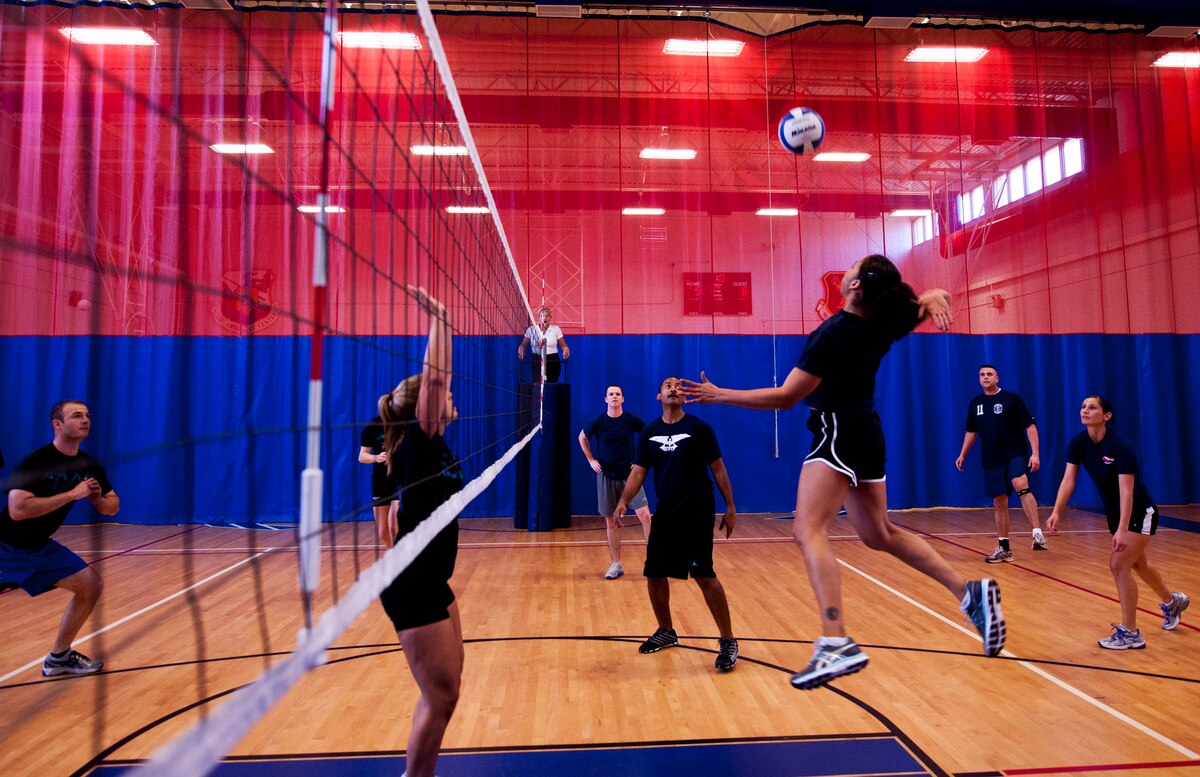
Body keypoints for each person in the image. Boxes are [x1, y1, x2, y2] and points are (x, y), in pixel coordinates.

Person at [680, 254, 1005, 690]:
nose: (847, 268)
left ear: (854, 286)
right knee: (879, 533)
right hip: (867, 431)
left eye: (853, 266)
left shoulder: (833, 333)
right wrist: (932, 296)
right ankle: (970, 594)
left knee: (806, 530)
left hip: (838, 432)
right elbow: (933, 299)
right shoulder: (883, 319)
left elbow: (786, 397)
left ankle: (835, 640)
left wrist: (720, 395)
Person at [376, 287, 464, 777]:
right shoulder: (421, 443)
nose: (450, 395)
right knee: (441, 697)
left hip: (433, 579)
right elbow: (435, 377)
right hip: (412, 585)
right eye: (443, 395)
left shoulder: (434, 449)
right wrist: (441, 320)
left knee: (443, 695)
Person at [614, 376, 740, 672]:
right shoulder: (650, 432)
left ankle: (728, 640)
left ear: (684, 397)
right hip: (667, 511)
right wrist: (623, 501)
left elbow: (718, 469)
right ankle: (666, 631)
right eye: (667, 385)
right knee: (654, 572)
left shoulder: (699, 429)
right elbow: (638, 472)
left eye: (678, 386)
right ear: (659, 396)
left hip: (697, 510)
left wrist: (731, 507)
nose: (673, 388)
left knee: (704, 575)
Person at [1046, 395, 1189, 650]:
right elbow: (1068, 480)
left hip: (1139, 512)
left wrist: (1122, 529)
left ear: (1107, 415)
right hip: (1115, 513)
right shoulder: (1078, 443)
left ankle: (1131, 633)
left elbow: (1127, 491)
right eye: (1083, 407)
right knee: (1139, 565)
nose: (1085, 410)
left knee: (1118, 565)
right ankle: (1172, 602)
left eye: (1092, 407)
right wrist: (1057, 511)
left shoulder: (1121, 446)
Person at [0, 400, 120, 676]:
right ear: (57, 424)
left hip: (39, 547)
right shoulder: (37, 462)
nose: (85, 420)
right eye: (76, 416)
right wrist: (72, 494)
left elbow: (112, 506)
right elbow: (18, 510)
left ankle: (59, 658)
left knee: (90, 585)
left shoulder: (88, 465)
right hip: (5, 546)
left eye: (87, 415)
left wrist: (97, 499)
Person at [955, 364, 1047, 562]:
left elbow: (1030, 426)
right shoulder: (976, 403)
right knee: (999, 501)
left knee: (1020, 483)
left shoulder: (1012, 399)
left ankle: (1037, 534)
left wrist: (1035, 454)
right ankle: (1004, 549)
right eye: (982, 374)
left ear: (997, 378)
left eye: (989, 374)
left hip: (1014, 451)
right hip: (992, 457)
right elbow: (972, 431)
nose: (985, 377)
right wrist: (962, 454)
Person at [579, 384, 653, 579]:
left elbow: (648, 436)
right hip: (607, 476)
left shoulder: (631, 419)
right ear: (605, 399)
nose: (614, 397)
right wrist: (591, 460)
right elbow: (582, 437)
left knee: (646, 516)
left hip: (630, 477)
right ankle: (616, 564)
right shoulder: (598, 421)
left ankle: (654, 560)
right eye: (611, 394)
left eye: (617, 394)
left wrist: (639, 461)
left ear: (622, 399)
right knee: (611, 522)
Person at [358, 415, 392, 544]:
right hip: (381, 480)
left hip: (402, 479)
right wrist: (377, 457)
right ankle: (395, 553)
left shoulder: (408, 422)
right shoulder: (374, 425)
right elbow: (362, 457)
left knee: (394, 524)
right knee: (383, 532)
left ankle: (406, 554)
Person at [517, 306, 570, 383]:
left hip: (552, 360)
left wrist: (566, 349)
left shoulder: (556, 329)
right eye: (542, 316)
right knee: (537, 384)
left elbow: (564, 346)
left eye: (547, 316)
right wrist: (521, 349)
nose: (544, 318)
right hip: (537, 359)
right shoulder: (531, 330)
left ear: (550, 318)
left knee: (551, 385)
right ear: (539, 317)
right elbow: (523, 345)